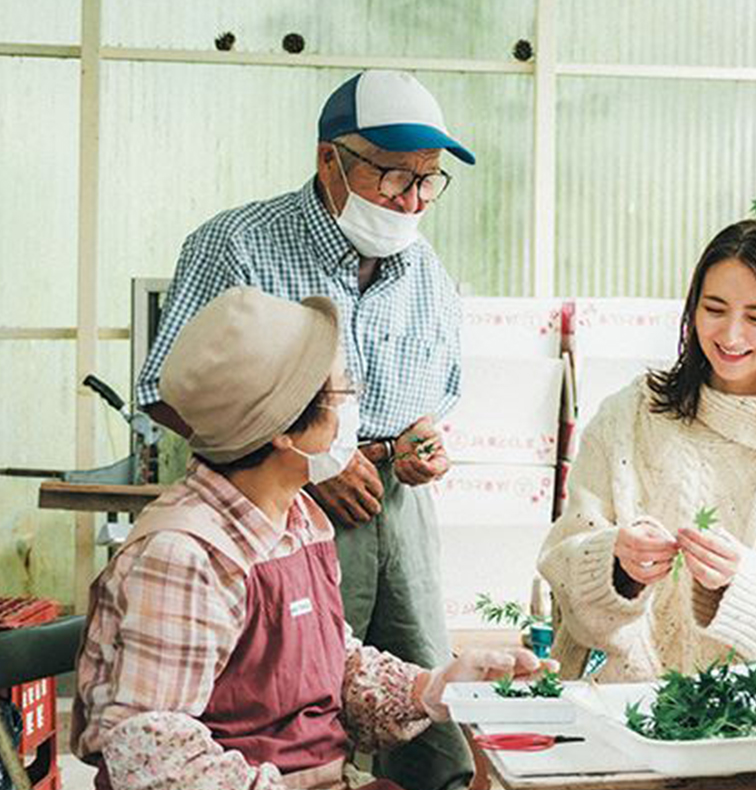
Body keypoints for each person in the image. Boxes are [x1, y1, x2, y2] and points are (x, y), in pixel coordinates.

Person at [134, 70, 470, 788]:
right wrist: (309, 461)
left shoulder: (425, 267)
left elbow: (437, 391)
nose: (412, 200)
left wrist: (421, 443)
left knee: (415, 714)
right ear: (330, 160)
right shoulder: (240, 244)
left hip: (396, 503)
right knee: (289, 704)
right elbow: (165, 388)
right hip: (278, 499)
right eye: (392, 177)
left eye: (428, 182)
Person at [75, 288, 552, 790]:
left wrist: (432, 689)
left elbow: (330, 665)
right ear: (284, 427)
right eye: (344, 393)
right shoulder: (185, 557)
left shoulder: (299, 516)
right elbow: (154, 763)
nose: (356, 407)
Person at [538, 220, 756, 681]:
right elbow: (562, 569)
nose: (731, 336)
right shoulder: (628, 417)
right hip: (616, 710)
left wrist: (745, 584)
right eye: (714, 309)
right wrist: (618, 568)